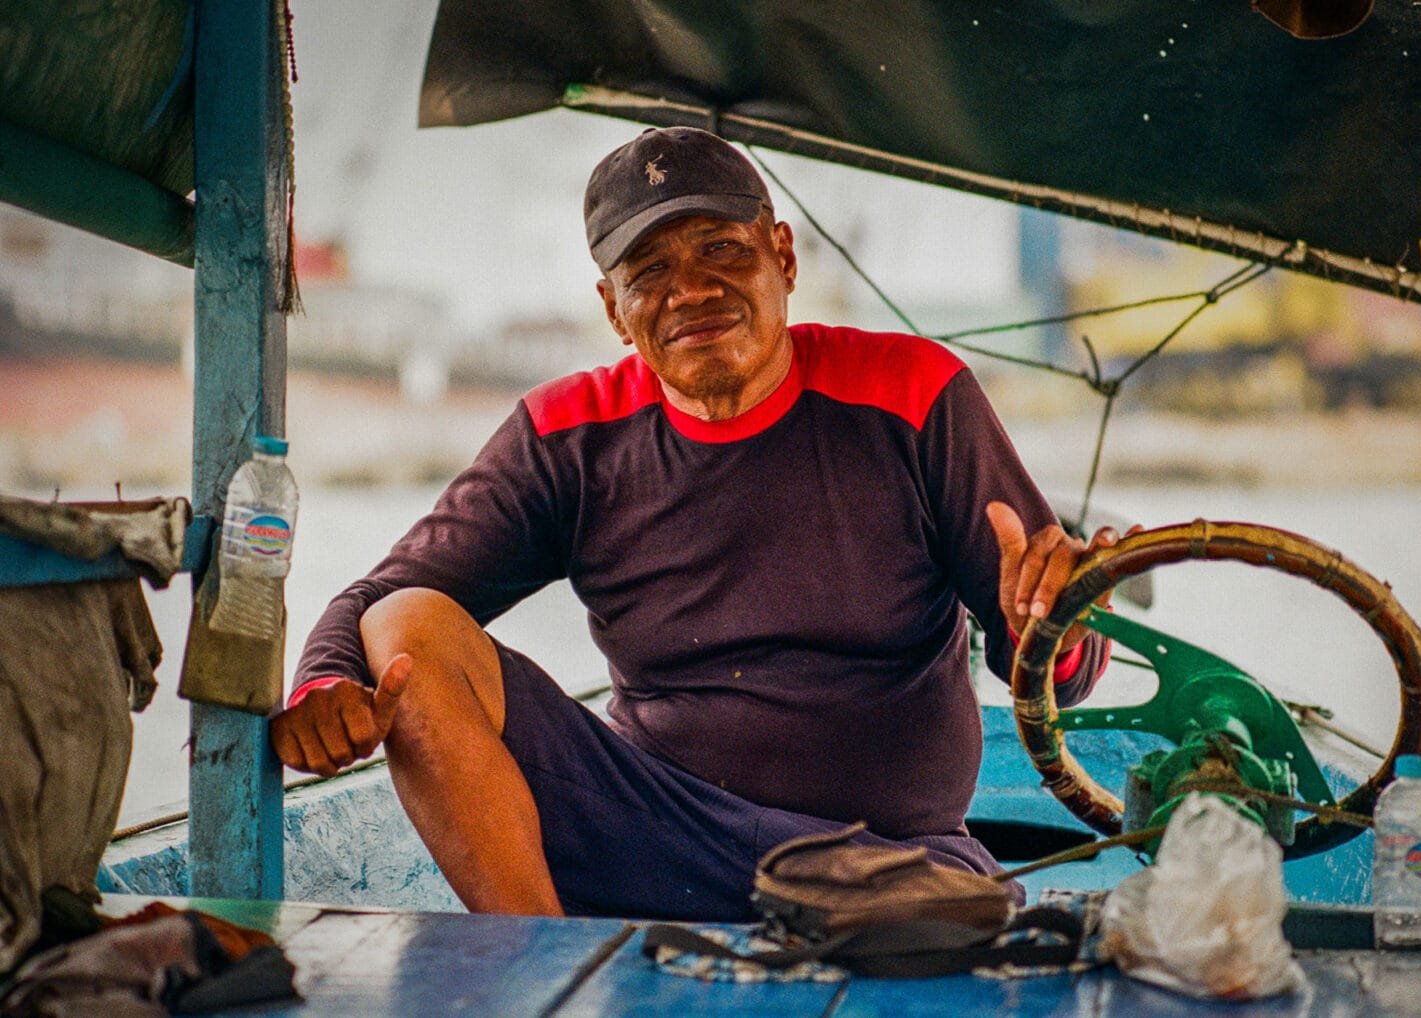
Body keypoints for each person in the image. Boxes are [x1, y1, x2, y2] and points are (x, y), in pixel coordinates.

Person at [270, 126, 1124, 919]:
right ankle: (535, 966)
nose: (692, 291)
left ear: (781, 256)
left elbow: (1061, 668)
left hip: (884, 860)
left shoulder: (915, 394)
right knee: (405, 627)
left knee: (942, 921)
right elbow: (384, 598)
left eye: (722, 249)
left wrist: (1059, 618)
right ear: (614, 308)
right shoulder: (569, 435)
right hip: (649, 836)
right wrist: (323, 687)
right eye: (649, 271)